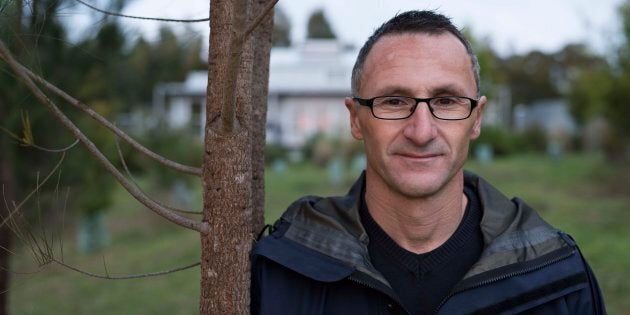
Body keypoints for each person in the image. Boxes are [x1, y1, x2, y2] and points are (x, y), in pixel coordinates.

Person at [251, 10, 606, 315]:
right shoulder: (283, 270)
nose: (421, 131)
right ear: (356, 119)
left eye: (447, 100)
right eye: (393, 101)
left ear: (477, 118)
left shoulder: (556, 274)